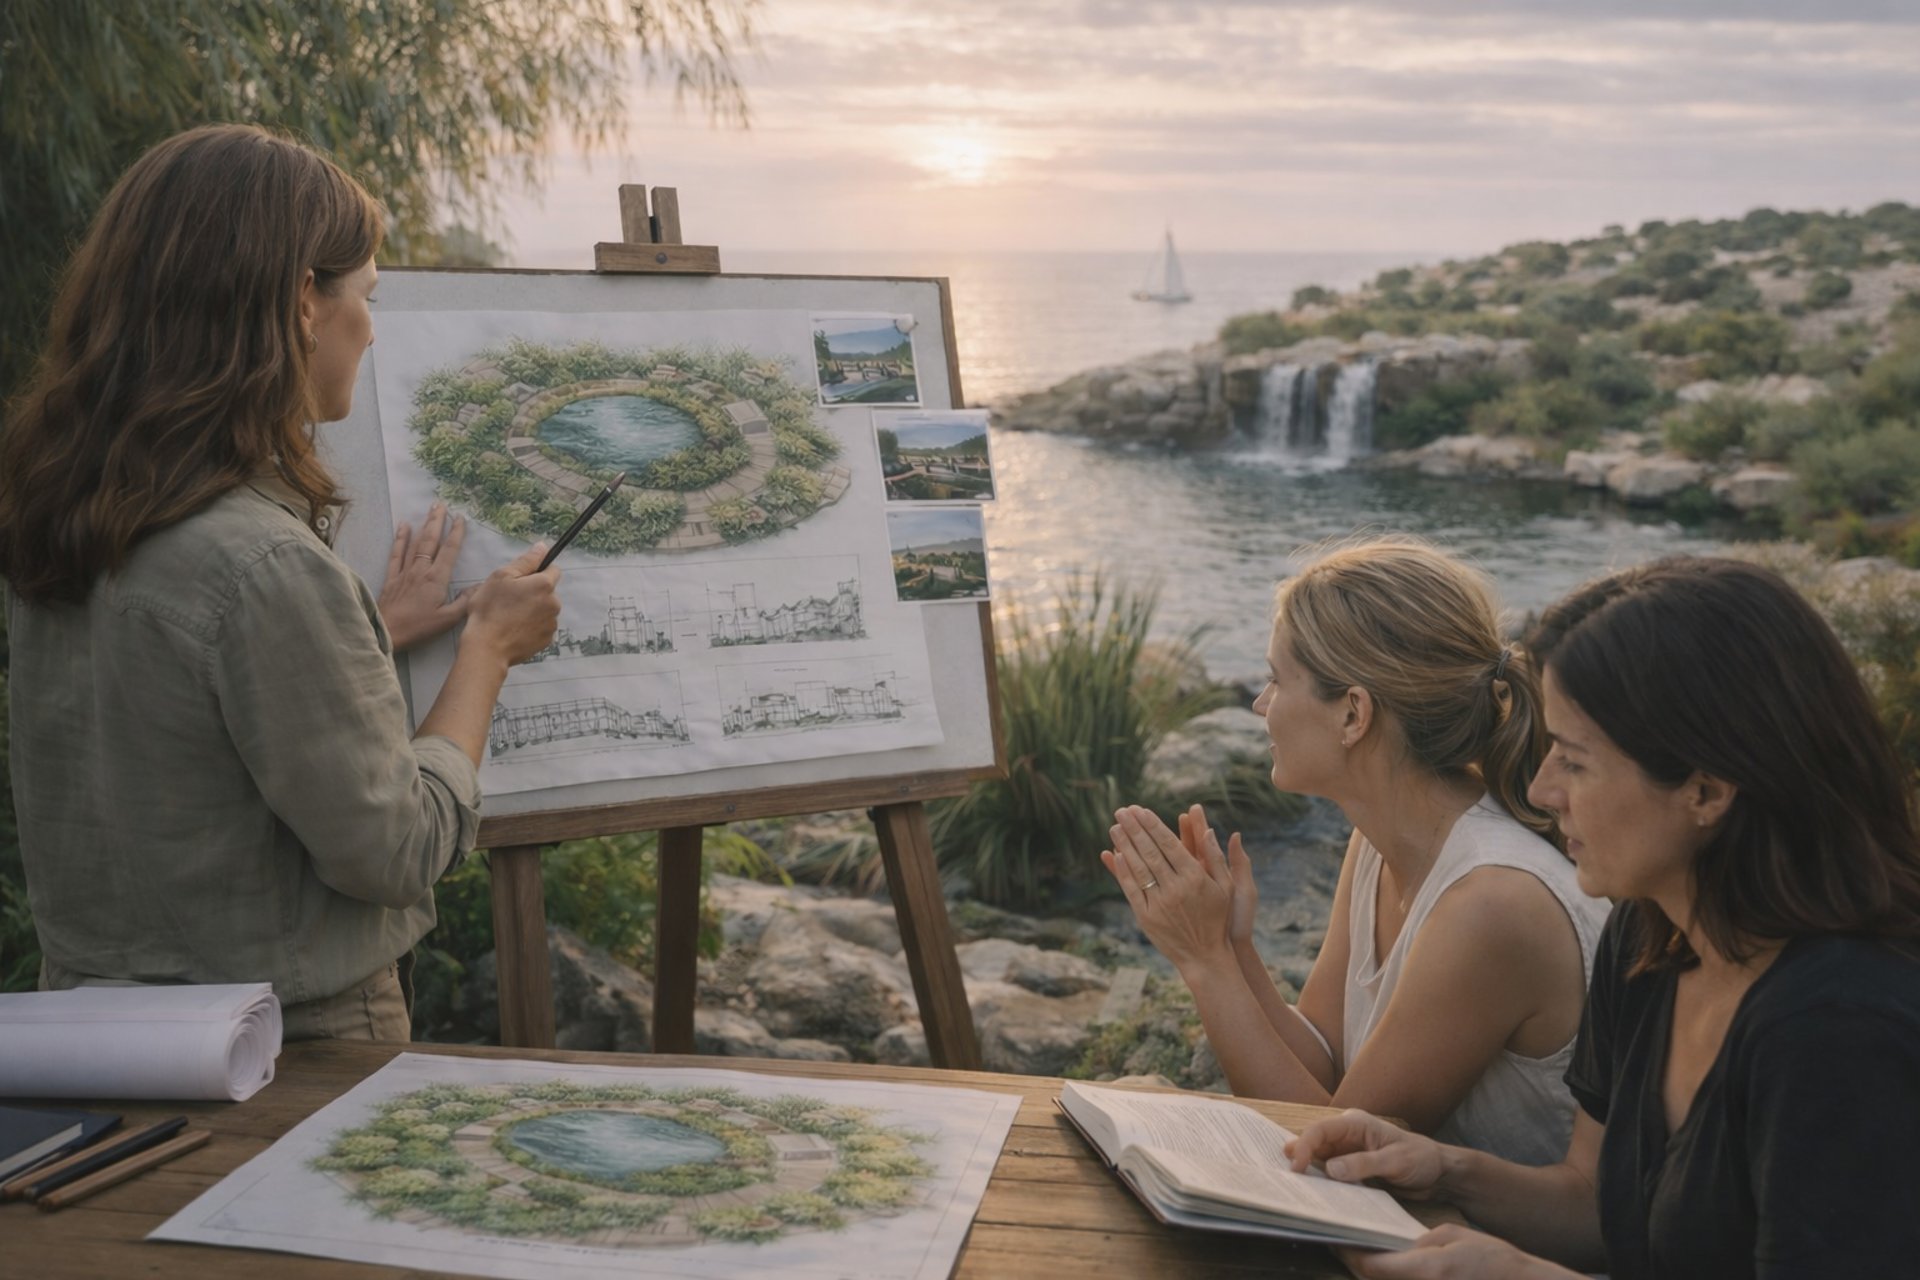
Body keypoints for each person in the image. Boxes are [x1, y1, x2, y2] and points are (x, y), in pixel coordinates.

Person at [0, 124, 561, 1041]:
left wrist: (368, 629)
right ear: (304, 301)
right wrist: (487, 648)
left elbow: (185, 724)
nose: (372, 328)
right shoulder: (264, 566)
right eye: (366, 296)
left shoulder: (69, 517)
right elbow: (396, 849)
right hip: (284, 1048)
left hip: (97, 1040)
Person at [1286, 556, 1920, 1279]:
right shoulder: (1652, 941)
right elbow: (1596, 1209)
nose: (1541, 788)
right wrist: (1444, 1170)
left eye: (1576, 761)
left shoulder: (1845, 1033)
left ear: (1705, 792)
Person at [1102, 537, 1610, 1165]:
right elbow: (1326, 1057)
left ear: (1353, 715)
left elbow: (1328, 1153)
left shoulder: (1492, 903)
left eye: (1274, 679)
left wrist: (1202, 961)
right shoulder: (1379, 840)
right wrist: (1233, 948)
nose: (1261, 705)